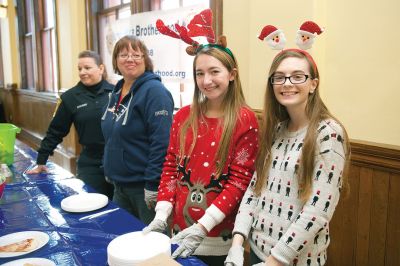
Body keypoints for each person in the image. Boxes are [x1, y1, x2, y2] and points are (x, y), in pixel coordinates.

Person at [224, 49, 351, 266]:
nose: (287, 83)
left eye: (298, 76)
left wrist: (274, 261)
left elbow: (318, 211)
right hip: (258, 253)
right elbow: (254, 191)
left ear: (313, 84)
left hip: (291, 261)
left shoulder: (328, 133)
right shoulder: (276, 130)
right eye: (279, 77)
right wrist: (237, 244)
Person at [143, 44, 259, 266]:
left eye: (215, 71)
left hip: (218, 237)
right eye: (200, 73)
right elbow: (170, 167)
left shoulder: (245, 120)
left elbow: (239, 182)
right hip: (178, 232)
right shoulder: (183, 116)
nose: (206, 80)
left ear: (232, 74)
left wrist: (203, 226)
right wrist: (161, 214)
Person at [101, 35, 174, 225]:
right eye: (123, 54)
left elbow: (162, 143)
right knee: (122, 239)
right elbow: (112, 137)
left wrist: (152, 184)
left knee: (152, 247)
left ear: (145, 60)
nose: (130, 59)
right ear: (116, 60)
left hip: (144, 189)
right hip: (119, 186)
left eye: (136, 54)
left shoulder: (155, 92)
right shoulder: (117, 91)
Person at [26, 50, 114, 199]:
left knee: (121, 212)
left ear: (101, 68)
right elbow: (56, 130)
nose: (82, 72)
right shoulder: (70, 97)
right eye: (79, 69)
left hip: (117, 161)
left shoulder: (116, 92)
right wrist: (42, 159)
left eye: (87, 68)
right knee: (91, 206)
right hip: (91, 163)